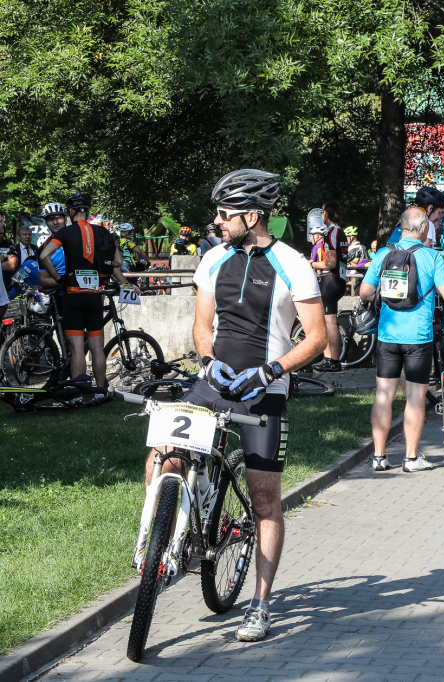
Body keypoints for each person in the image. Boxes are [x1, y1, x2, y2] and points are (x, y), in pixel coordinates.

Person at [159, 169, 326, 642]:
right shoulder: (213, 258)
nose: (216, 221)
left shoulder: (294, 264)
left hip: (264, 388)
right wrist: (207, 361)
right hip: (214, 380)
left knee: (264, 499)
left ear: (252, 215)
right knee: (163, 455)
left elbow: (318, 337)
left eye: (225, 214)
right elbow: (200, 325)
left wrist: (272, 371)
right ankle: (167, 540)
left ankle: (260, 603)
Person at [361, 206, 444, 472]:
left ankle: (379, 457)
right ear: (424, 228)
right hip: (418, 339)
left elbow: (365, 292)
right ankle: (411, 459)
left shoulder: (382, 254)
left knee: (383, 395)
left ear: (401, 227)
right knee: (415, 397)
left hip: (388, 336)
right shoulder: (431, 257)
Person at [39, 193, 139, 389]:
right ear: (88, 210)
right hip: (94, 295)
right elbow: (118, 262)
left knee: (76, 348)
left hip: (72, 294)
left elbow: (44, 256)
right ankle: (101, 389)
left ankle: (79, 390)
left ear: (70, 211)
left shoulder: (65, 233)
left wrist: (59, 278)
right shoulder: (103, 232)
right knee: (96, 347)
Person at [307, 212, 345, 371]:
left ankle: (333, 360)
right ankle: (329, 359)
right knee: (329, 322)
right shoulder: (339, 231)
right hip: (339, 279)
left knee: (329, 322)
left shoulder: (331, 232)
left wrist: (311, 264)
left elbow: (330, 262)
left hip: (330, 280)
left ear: (326, 214)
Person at [344, 226, 368, 295]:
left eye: (347, 237)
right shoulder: (348, 247)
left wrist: (357, 264)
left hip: (355, 274)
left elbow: (365, 261)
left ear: (352, 237)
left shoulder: (360, 247)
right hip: (346, 272)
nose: (346, 239)